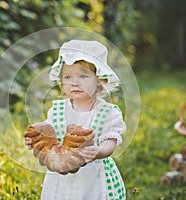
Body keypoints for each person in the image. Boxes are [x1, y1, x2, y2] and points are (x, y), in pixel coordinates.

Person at [25, 40, 127, 200]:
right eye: (68, 76)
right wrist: (38, 139)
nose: (74, 82)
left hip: (93, 177)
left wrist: (99, 151)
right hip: (60, 178)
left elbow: (110, 141)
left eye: (83, 76)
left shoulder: (108, 112)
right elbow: (50, 134)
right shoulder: (57, 109)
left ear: (100, 80)